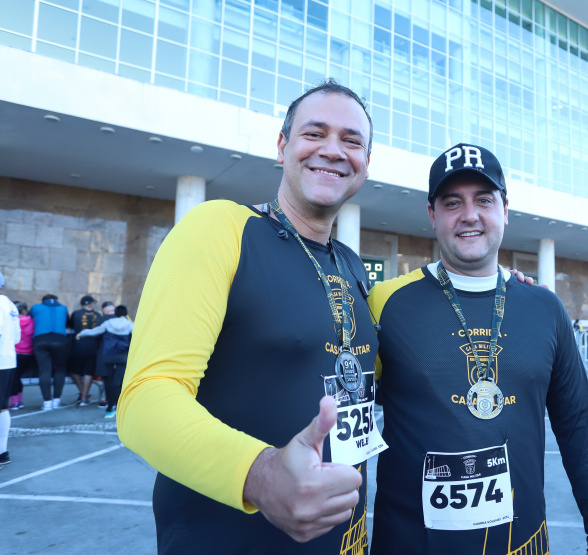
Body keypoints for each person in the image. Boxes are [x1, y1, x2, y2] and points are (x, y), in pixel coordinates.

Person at [118, 79, 381, 553]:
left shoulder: (352, 265)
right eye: (314, 133)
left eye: (352, 140)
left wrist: (499, 282)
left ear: (365, 163)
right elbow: (144, 400)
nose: (333, 150)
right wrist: (260, 475)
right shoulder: (219, 228)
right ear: (282, 147)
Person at [368, 143, 588, 555]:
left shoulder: (544, 307)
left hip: (521, 543)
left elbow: (579, 431)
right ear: (432, 215)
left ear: (505, 209)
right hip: (412, 542)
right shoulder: (385, 302)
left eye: (484, 200)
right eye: (452, 202)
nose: (470, 215)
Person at [76, 305, 133, 418]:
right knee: (118, 383)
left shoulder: (108, 323)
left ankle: (109, 409)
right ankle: (119, 407)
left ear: (115, 313)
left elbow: (93, 332)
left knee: (109, 382)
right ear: (126, 314)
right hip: (122, 357)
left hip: (108, 356)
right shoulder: (130, 324)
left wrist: (81, 334)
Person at [30, 293, 69, 411]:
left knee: (44, 370)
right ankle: (56, 400)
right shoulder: (63, 308)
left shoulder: (35, 307)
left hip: (40, 339)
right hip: (60, 340)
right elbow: (67, 323)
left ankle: (47, 401)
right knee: (60, 369)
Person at [0, 272, 21, 467]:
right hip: (7, 360)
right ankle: (2, 451)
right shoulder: (9, 304)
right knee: (2, 406)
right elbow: (16, 338)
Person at [68, 295, 102, 406]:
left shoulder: (76, 313)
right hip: (93, 346)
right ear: (91, 304)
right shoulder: (98, 315)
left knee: (74, 371)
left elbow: (71, 327)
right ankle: (83, 398)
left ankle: (83, 393)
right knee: (88, 372)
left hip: (78, 346)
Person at [9, 302, 34, 410]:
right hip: (27, 353)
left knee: (14, 377)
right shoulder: (31, 320)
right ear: (24, 310)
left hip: (14, 352)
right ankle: (19, 401)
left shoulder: (12, 320)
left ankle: (14, 402)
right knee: (18, 377)